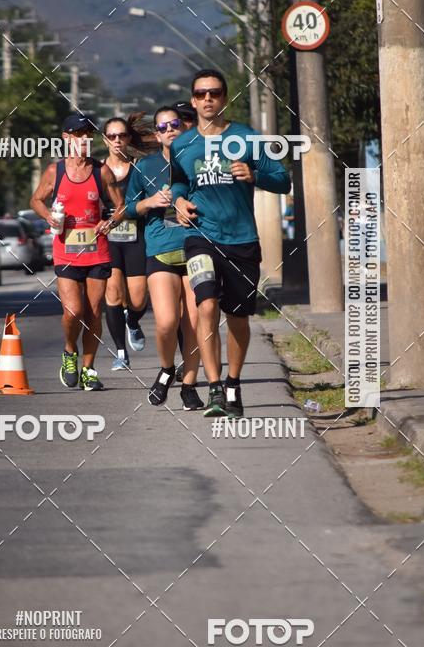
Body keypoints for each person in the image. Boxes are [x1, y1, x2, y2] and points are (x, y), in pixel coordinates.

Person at [171, 69, 291, 417]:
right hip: (200, 235)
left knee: (237, 317)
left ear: (225, 98)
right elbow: (179, 182)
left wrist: (256, 175)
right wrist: (178, 202)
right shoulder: (182, 144)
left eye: (215, 93)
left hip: (242, 239)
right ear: (193, 101)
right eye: (201, 93)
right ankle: (215, 389)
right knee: (205, 305)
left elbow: (282, 180)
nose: (208, 99)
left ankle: (234, 382)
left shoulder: (246, 138)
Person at [30, 113, 125, 391]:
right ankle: (69, 351)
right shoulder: (54, 172)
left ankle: (89, 368)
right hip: (66, 250)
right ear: (66, 138)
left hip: (97, 250)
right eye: (77, 134)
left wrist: (110, 222)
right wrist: (48, 216)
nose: (83, 139)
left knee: (95, 312)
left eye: (87, 135)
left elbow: (121, 206)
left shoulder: (101, 171)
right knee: (73, 311)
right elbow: (35, 200)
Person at [124, 106, 203, 410]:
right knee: (167, 322)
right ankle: (168, 369)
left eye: (175, 124)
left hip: (197, 247)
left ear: (183, 128)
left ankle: (190, 385)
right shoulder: (145, 167)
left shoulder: (199, 163)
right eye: (163, 127)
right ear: (157, 135)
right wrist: (149, 201)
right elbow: (128, 210)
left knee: (194, 322)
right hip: (160, 249)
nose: (170, 129)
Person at [102, 117, 148, 371]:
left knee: (139, 299)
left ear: (129, 139)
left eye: (122, 135)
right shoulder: (98, 169)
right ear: (105, 140)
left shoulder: (139, 168)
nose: (117, 140)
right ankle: (121, 352)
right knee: (113, 293)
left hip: (135, 237)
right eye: (112, 136)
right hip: (108, 240)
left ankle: (132, 320)